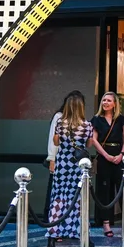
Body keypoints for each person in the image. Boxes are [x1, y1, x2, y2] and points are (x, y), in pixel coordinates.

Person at [46, 93, 95, 247]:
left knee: (58, 199)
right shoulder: (87, 125)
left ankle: (52, 235)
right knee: (78, 199)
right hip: (77, 166)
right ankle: (81, 234)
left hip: (62, 165)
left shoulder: (60, 123)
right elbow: (89, 144)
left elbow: (56, 142)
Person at [90, 92, 124, 238]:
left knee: (123, 190)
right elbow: (94, 140)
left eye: (109, 100)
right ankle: (106, 224)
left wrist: (121, 154)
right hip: (104, 156)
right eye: (104, 100)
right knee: (104, 191)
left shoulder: (121, 120)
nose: (105, 102)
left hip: (119, 155)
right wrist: (106, 155)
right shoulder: (96, 119)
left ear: (115, 103)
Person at [44, 91, 83, 220]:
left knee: (71, 192)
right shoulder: (59, 117)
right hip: (61, 159)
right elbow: (53, 140)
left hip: (74, 162)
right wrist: (52, 159)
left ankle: (69, 219)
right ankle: (52, 219)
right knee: (57, 191)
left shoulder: (81, 121)